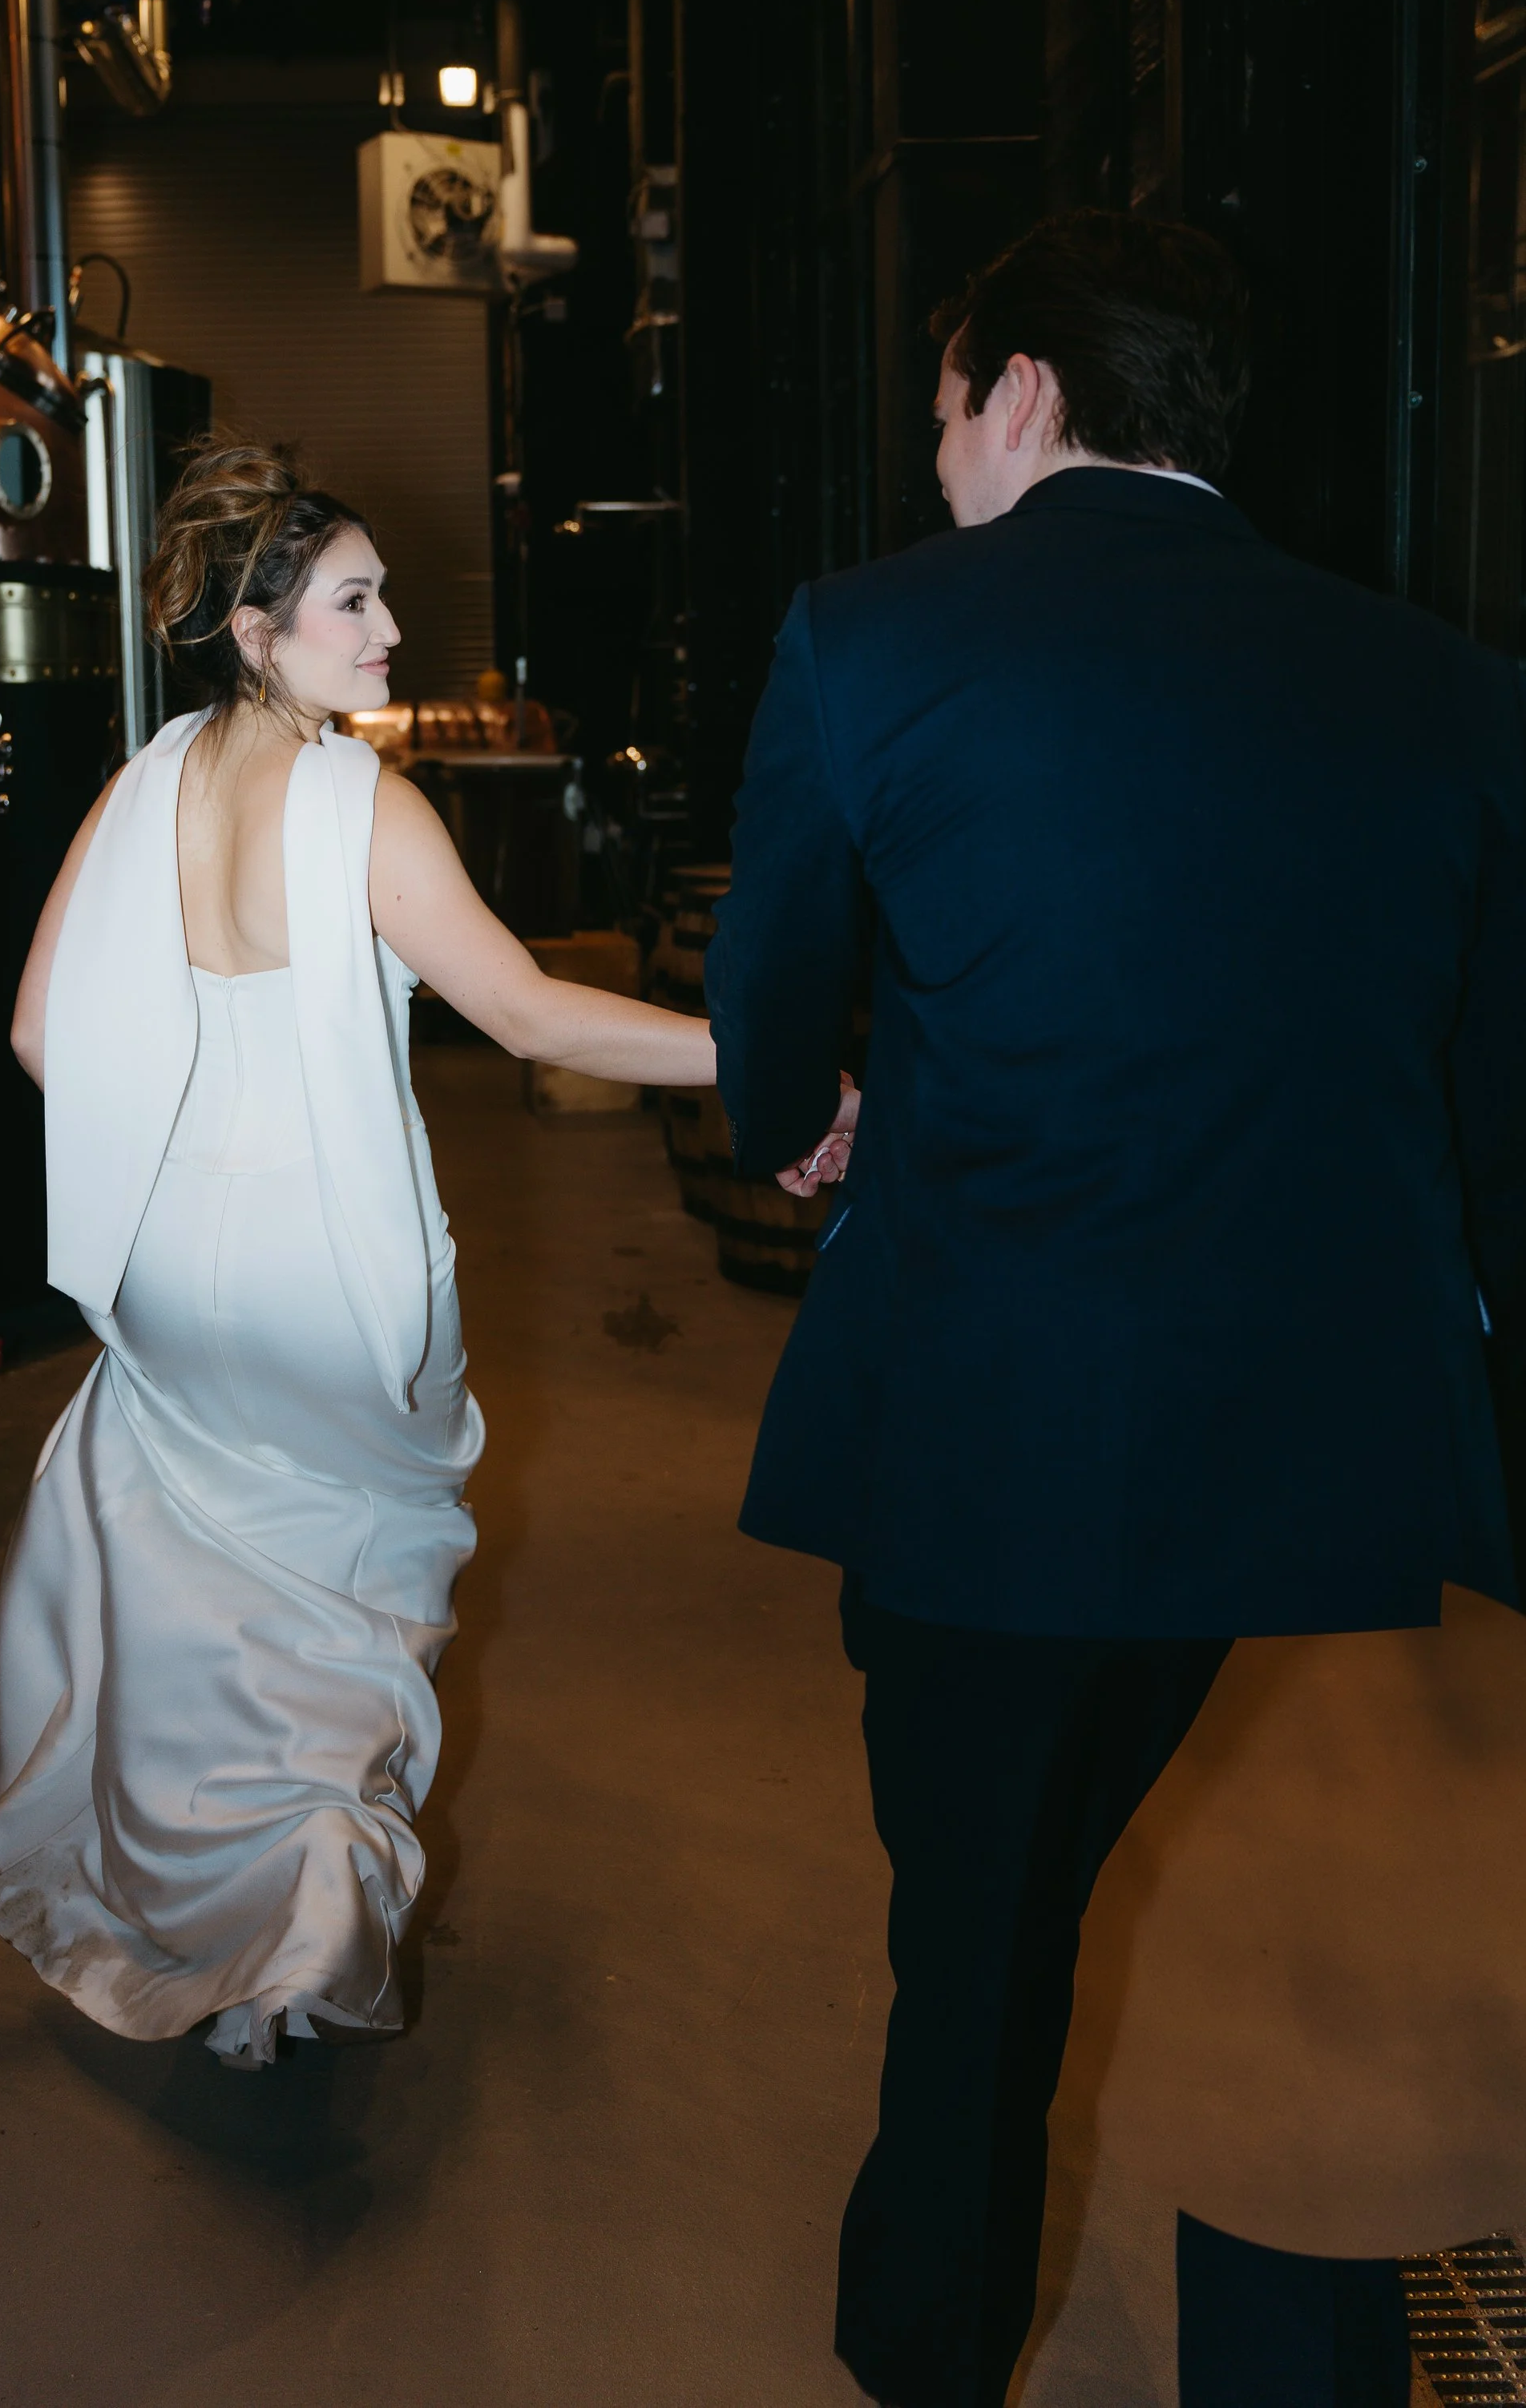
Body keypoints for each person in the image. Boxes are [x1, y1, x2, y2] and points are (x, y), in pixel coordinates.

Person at [705, 211, 1526, 2408]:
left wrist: (793, 1116)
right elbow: (1486, 1090)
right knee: (1171, 1905)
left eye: (948, 407)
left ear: (1033, 391)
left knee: (970, 1932)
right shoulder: (1440, 685)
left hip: (987, 1426)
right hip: (1299, 1448)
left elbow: (768, 984)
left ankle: (926, 2349)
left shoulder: (866, 640)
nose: (938, 456)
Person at [0, 443, 716, 2064]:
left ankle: (200, 1928)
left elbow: (33, 1032)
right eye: (352, 605)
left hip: (168, 1262)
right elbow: (524, 1014)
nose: (387, 637)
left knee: (214, 1625)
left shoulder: (146, 777)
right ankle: (294, 1940)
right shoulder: (364, 804)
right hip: (319, 1268)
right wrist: (751, 1057)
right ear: (254, 627)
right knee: (339, 1643)